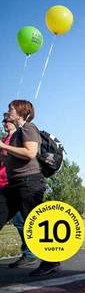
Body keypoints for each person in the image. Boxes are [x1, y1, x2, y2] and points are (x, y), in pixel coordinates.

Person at [0, 100, 60, 276]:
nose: (7, 112)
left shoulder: (29, 128)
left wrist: (3, 146)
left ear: (21, 112)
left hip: (29, 183)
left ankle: (51, 261)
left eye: (10, 109)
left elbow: (30, 153)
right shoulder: (16, 133)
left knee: (34, 224)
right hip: (13, 185)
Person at [0, 114, 37, 268]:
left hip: (15, 185)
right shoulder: (6, 139)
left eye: (7, 120)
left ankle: (32, 254)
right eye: (3, 121)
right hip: (5, 185)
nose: (5, 123)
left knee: (23, 222)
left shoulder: (19, 136)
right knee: (20, 221)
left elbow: (28, 154)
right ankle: (31, 253)